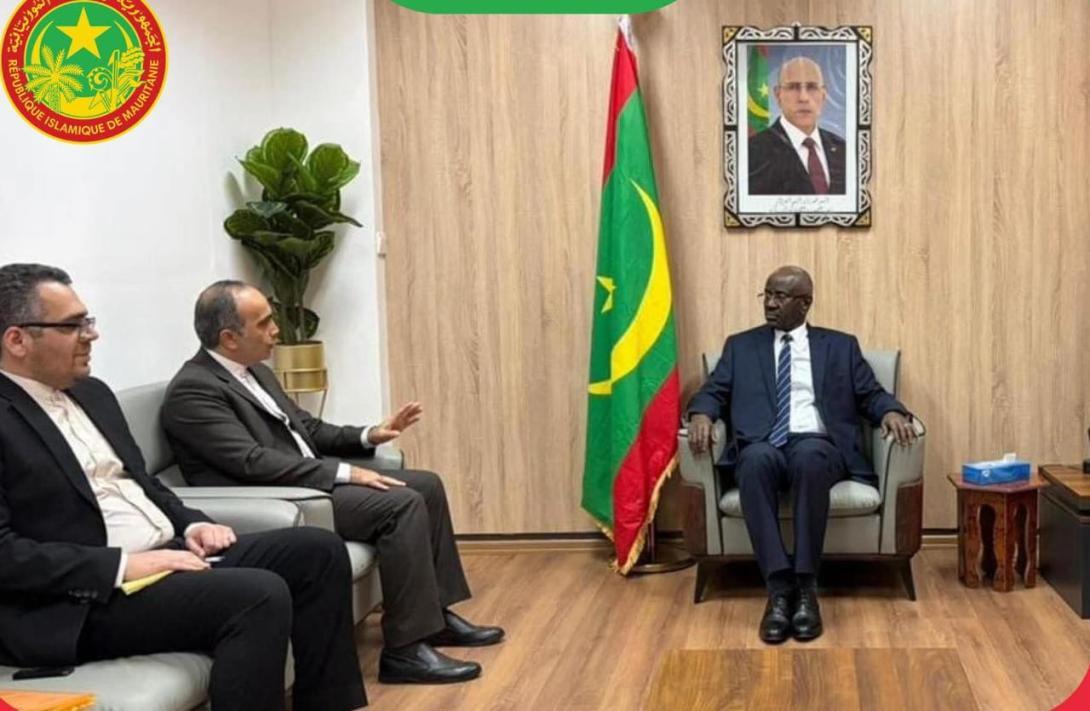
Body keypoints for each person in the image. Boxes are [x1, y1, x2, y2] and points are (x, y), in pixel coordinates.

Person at [0, 264, 366, 711]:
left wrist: (192, 523)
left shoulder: (92, 394)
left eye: (88, 321)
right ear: (17, 340)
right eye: (73, 325)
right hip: (83, 599)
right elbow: (5, 554)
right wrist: (123, 566)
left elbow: (144, 484)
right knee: (256, 595)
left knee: (316, 550)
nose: (91, 335)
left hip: (166, 554)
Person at [160, 280, 504, 685]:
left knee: (425, 485)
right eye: (264, 323)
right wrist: (344, 472)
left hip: (306, 483)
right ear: (229, 338)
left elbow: (305, 428)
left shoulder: (256, 373)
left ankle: (434, 617)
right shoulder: (194, 390)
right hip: (279, 499)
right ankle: (405, 652)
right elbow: (250, 462)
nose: (276, 330)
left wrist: (369, 435)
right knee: (401, 503)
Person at [686, 266, 916, 644]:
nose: (770, 304)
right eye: (767, 295)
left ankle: (806, 588)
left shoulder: (840, 346)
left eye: (780, 296)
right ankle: (779, 590)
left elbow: (870, 394)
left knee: (809, 458)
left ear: (805, 303)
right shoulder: (741, 346)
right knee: (754, 461)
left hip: (818, 444)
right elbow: (714, 391)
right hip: (763, 443)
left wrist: (891, 411)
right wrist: (700, 415)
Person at [748, 56, 846, 195]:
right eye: (793, 87)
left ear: (824, 95)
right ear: (778, 95)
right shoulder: (752, 152)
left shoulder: (844, 150)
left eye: (812, 87)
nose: (803, 98)